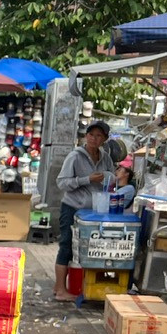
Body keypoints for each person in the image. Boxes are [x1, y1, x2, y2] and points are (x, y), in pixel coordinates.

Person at [53, 120, 113, 302]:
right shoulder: (75, 156)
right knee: (66, 246)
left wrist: (108, 179)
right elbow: (62, 182)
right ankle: (61, 290)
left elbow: (112, 177)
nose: (94, 139)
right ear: (86, 136)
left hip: (93, 213)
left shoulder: (106, 158)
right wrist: (86, 179)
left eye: (99, 136)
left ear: (105, 139)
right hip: (72, 208)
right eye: (91, 135)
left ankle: (63, 287)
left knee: (85, 250)